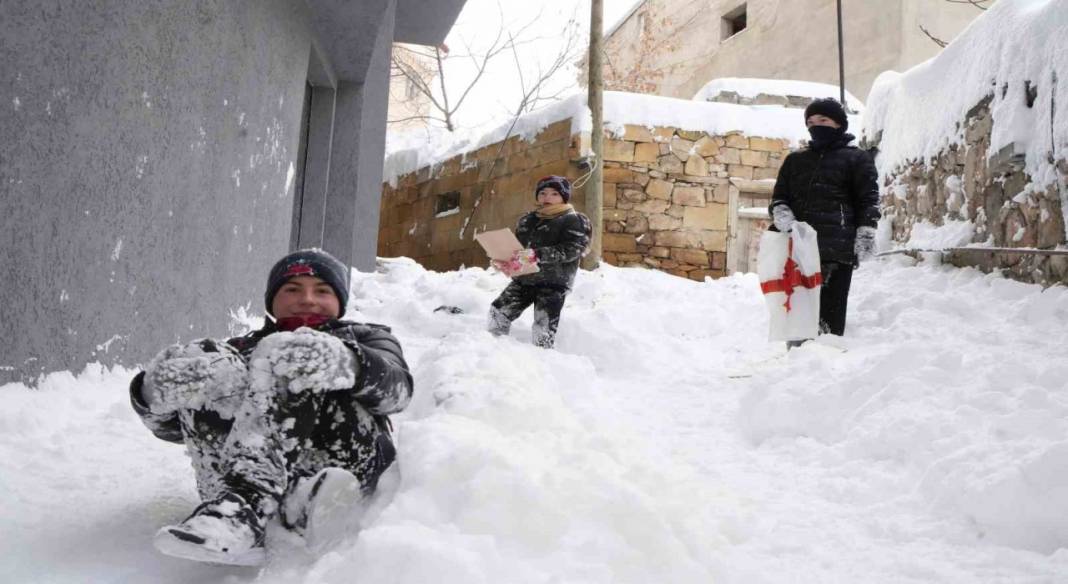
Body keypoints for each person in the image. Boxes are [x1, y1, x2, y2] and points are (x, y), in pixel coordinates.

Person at [129, 248, 412, 566]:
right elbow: (177, 430)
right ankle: (243, 507)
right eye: (292, 289)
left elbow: (397, 393)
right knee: (209, 359)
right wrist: (152, 394)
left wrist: (349, 362)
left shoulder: (366, 337)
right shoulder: (238, 351)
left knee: (294, 351)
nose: (307, 298)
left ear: (341, 301)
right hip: (228, 483)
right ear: (271, 300)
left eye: (322, 290)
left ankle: (265, 506)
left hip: (343, 463)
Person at [769, 98, 880, 340]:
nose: (815, 125)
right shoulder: (795, 160)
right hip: (798, 248)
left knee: (830, 313)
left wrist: (866, 231)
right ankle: (796, 358)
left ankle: (826, 359)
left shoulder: (856, 159)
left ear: (839, 124)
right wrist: (781, 212)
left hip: (836, 249)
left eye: (823, 120)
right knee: (797, 311)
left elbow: (868, 199)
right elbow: (779, 196)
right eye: (810, 122)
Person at [488, 175, 591, 348]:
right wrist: (506, 260)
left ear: (563, 197)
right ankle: (494, 349)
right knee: (498, 311)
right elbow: (518, 250)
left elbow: (573, 249)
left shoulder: (574, 220)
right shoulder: (527, 220)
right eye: (542, 193)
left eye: (554, 194)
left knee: (543, 327)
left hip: (553, 282)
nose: (547, 198)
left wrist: (538, 255)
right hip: (524, 279)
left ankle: (542, 361)